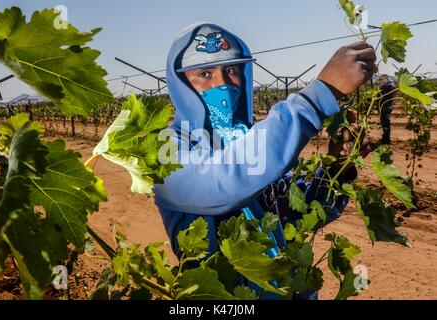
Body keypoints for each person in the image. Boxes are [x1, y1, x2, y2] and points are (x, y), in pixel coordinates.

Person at [154, 23, 375, 299]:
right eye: (205, 74)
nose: (222, 84)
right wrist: (318, 97)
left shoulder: (245, 138)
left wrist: (336, 169)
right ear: (180, 84)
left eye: (232, 70)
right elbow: (224, 180)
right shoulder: (166, 149)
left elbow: (293, 212)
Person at [378, 75, 396, 145]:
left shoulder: (385, 85)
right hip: (389, 90)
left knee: (384, 118)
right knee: (386, 118)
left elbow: (381, 97)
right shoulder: (390, 83)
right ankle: (386, 137)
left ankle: (386, 139)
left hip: (386, 90)